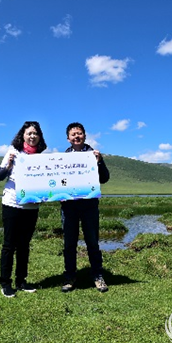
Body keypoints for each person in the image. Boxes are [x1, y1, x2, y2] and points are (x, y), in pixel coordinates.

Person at [0, 121, 48, 297]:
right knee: (10, 244)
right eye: (29, 133)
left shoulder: (41, 156)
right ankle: (5, 283)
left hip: (31, 206)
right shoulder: (13, 152)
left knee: (24, 245)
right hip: (12, 203)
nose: (32, 136)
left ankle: (21, 281)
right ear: (22, 135)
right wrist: (8, 164)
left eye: (35, 133)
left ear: (39, 137)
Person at [60, 122, 110, 293]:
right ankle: (70, 277)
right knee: (69, 244)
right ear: (68, 138)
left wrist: (100, 162)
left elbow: (104, 179)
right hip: (69, 208)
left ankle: (98, 276)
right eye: (73, 134)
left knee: (92, 242)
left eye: (79, 133)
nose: (77, 136)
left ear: (85, 136)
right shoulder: (62, 158)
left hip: (89, 207)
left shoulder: (93, 156)